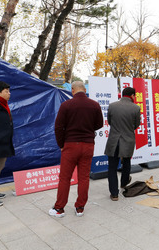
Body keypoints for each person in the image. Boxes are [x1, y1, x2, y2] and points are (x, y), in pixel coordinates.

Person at [49, 81, 103, 218]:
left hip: (70, 145)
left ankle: (59, 208)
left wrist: (61, 144)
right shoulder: (95, 105)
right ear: (84, 90)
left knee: (65, 178)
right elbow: (99, 124)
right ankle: (80, 208)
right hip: (88, 145)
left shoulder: (66, 105)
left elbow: (58, 127)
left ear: (72, 90)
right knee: (84, 177)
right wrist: (88, 130)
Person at [105, 87, 141, 201]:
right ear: (132, 95)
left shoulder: (112, 106)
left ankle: (114, 194)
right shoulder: (136, 108)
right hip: (128, 139)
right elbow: (136, 125)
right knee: (126, 162)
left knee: (112, 167)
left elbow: (110, 122)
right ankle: (124, 183)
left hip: (114, 140)